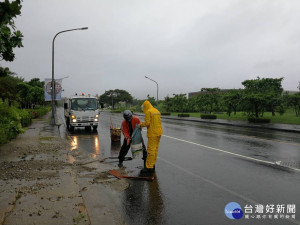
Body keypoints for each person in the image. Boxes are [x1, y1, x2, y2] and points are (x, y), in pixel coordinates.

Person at [139, 100, 163, 174]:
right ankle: (152, 163)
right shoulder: (156, 110)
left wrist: (140, 125)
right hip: (159, 132)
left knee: (151, 150)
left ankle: (149, 167)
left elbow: (147, 123)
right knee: (155, 149)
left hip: (153, 133)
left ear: (145, 106)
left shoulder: (148, 112)